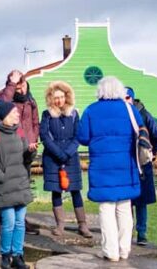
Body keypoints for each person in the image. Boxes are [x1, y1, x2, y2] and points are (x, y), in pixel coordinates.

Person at [76, 76, 142, 262]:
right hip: (126, 165)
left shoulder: (91, 110)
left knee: (106, 209)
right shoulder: (129, 109)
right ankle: (124, 249)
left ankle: (110, 251)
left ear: (101, 91)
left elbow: (83, 138)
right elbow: (141, 129)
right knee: (124, 208)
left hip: (102, 166)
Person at [39, 81, 92, 238]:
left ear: (66, 97)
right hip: (52, 159)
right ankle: (60, 224)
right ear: (51, 98)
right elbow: (45, 137)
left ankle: (82, 225)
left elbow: (78, 136)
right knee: (56, 192)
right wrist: (58, 153)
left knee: (75, 191)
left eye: (61, 97)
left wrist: (67, 153)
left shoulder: (74, 114)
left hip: (71, 158)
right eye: (56, 97)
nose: (59, 100)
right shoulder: (46, 115)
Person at [0, 100, 35, 269]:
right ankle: (5, 255)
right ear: (5, 115)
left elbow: (26, 160)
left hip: (20, 184)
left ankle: (18, 256)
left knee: (20, 223)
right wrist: (2, 177)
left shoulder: (20, 132)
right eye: (14, 112)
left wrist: (31, 151)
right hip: (4, 187)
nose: (17, 115)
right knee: (9, 223)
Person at [0, 69, 40, 235]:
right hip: (11, 146)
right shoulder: (5, 98)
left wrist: (33, 138)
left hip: (28, 147)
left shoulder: (31, 100)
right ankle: (2, 221)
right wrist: (11, 84)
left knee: (24, 184)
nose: (21, 90)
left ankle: (22, 219)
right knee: (7, 186)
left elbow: (35, 122)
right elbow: (0, 106)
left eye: (23, 86)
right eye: (18, 87)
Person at [127, 88, 157, 246]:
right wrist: (152, 151)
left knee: (131, 199)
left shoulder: (141, 113)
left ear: (132, 98)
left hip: (133, 160)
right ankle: (139, 233)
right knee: (136, 199)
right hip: (141, 162)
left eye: (127, 97)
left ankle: (133, 233)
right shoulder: (144, 113)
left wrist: (151, 151)